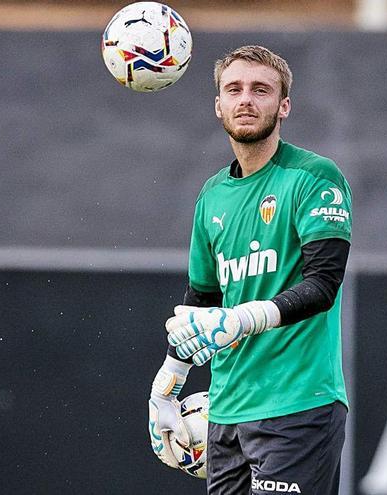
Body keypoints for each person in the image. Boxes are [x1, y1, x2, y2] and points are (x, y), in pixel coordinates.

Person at [147, 45, 352, 495]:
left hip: (298, 406)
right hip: (226, 412)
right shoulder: (211, 196)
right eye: (234, 89)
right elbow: (201, 300)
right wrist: (168, 383)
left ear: (283, 106)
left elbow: (323, 284)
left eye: (261, 90)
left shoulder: (315, 177)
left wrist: (242, 318)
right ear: (218, 103)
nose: (246, 100)